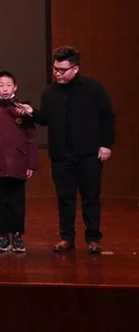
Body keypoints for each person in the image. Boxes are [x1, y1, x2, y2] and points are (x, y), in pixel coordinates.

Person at [23, 46, 115, 254]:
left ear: (75, 69)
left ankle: (93, 239)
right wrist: (32, 112)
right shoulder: (49, 92)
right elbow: (45, 119)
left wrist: (106, 144)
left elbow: (107, 117)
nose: (57, 73)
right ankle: (67, 238)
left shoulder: (93, 89)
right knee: (65, 198)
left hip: (89, 153)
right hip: (61, 154)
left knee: (91, 197)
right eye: (55, 69)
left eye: (62, 70)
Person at [0, 71, 38, 253]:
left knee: (18, 201)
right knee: (1, 201)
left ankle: (18, 235)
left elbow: (31, 138)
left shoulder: (23, 109)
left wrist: (31, 163)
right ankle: (4, 236)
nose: (5, 89)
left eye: (9, 85)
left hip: (19, 162)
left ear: (15, 87)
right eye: (1, 85)